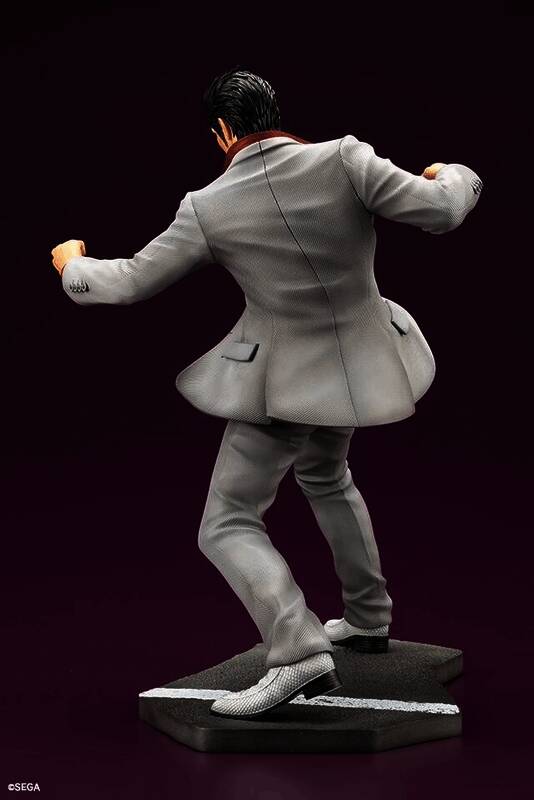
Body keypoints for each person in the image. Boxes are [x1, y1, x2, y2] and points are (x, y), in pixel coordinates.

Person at [51, 67, 483, 720]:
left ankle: (297, 649)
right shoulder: (346, 158)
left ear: (223, 132)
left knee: (227, 521)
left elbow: (129, 282)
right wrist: (451, 172)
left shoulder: (207, 205)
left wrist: (72, 266)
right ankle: (369, 617)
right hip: (364, 360)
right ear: (274, 113)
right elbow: (444, 209)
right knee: (327, 476)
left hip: (282, 383)